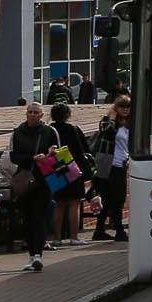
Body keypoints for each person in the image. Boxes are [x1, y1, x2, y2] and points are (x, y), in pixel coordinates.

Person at [9, 102, 60, 271]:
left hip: (44, 179)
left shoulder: (50, 132)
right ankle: (32, 254)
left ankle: (37, 255)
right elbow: (14, 156)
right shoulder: (18, 132)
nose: (32, 115)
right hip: (25, 180)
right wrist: (32, 158)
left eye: (36, 112)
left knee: (38, 217)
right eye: (30, 112)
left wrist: (51, 153)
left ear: (42, 115)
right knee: (28, 218)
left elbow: (59, 153)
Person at [48, 101, 93, 244]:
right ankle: (74, 237)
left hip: (56, 169)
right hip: (72, 168)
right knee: (74, 204)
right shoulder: (73, 129)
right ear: (68, 114)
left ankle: (57, 238)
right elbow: (81, 151)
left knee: (59, 204)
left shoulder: (49, 130)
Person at [91, 96, 132, 243]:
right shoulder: (107, 121)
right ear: (116, 108)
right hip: (107, 163)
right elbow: (107, 133)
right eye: (122, 107)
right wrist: (113, 119)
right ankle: (117, 230)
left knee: (118, 198)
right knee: (108, 197)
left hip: (121, 164)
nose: (125, 110)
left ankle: (101, 230)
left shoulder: (129, 124)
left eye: (127, 107)